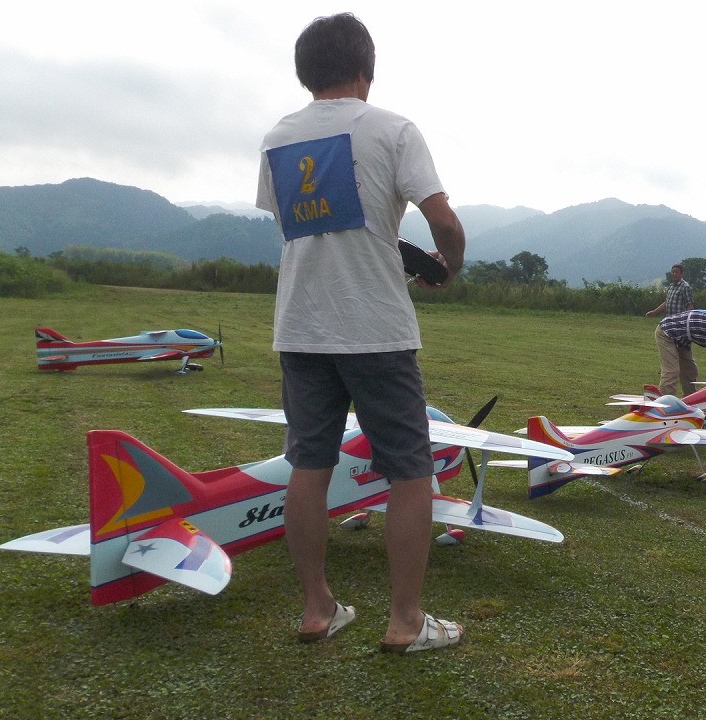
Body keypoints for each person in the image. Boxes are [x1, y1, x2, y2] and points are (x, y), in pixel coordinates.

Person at [256, 13, 466, 652]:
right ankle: (405, 620)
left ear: (305, 72)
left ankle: (317, 608)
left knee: (308, 464)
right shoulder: (392, 129)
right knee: (409, 470)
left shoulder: (277, 138)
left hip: (300, 327)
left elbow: (294, 224)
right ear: (364, 71)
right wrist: (447, 266)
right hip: (375, 327)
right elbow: (443, 221)